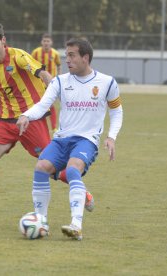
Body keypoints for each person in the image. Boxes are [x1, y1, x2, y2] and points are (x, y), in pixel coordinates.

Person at [0, 22, 93, 228]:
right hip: (5, 122)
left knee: (51, 167)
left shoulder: (19, 56)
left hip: (31, 120)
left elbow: (43, 74)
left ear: (3, 41)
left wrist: (62, 95)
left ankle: (82, 191)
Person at [17, 38, 123, 241]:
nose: (68, 60)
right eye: (67, 56)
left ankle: (76, 225)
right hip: (61, 139)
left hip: (86, 140)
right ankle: (41, 221)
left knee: (73, 169)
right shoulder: (59, 81)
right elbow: (43, 104)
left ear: (85, 57)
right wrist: (26, 115)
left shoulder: (107, 82)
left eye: (72, 55)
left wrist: (111, 137)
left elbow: (116, 111)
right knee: (41, 168)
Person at [31, 34, 61, 131]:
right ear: (41, 42)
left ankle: (54, 127)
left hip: (51, 84)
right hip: (38, 83)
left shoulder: (55, 53)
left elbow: (59, 65)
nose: (46, 43)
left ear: (51, 43)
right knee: (37, 104)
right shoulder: (36, 52)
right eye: (44, 41)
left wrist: (58, 78)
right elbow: (30, 65)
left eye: (48, 41)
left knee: (51, 104)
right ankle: (37, 126)